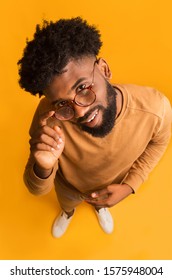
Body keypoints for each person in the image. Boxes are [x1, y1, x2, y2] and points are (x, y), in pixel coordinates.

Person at [18, 17, 172, 238]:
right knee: (68, 203)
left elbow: (159, 142)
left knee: (101, 202)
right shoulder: (48, 118)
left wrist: (130, 185)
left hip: (110, 185)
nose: (79, 111)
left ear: (104, 70)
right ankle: (67, 213)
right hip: (69, 187)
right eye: (62, 103)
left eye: (82, 87)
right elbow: (36, 188)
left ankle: (100, 208)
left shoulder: (155, 108)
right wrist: (42, 167)